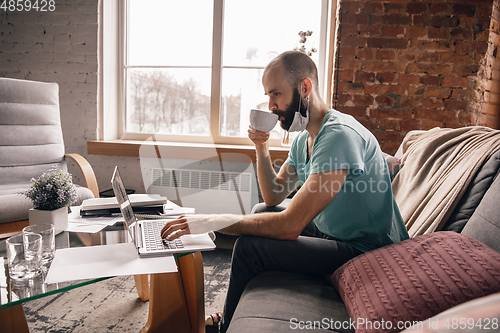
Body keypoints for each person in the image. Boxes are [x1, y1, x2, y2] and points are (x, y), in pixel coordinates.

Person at [161, 50, 409, 332]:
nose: (271, 105)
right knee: (261, 211)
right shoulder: (304, 138)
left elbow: (290, 226)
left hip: (364, 250)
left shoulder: (338, 136)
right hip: (333, 232)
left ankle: (224, 326)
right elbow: (274, 195)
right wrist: (261, 146)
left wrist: (213, 221)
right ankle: (233, 313)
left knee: (248, 248)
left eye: (276, 94)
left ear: (305, 88)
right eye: (269, 96)